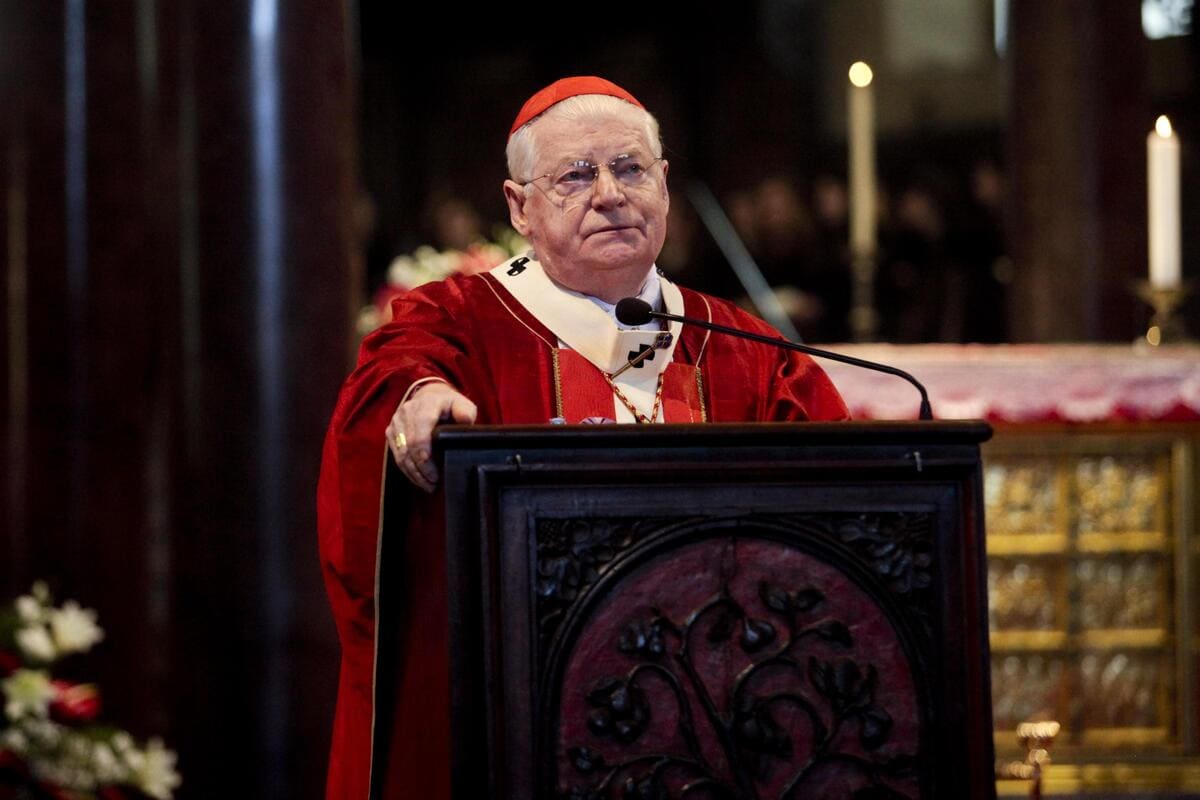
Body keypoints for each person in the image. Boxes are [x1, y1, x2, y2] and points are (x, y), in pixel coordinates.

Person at [317, 76, 849, 800]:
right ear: (520, 207)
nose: (609, 194)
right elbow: (394, 373)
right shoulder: (458, 319)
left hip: (719, 722)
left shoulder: (745, 347)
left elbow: (837, 506)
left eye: (630, 168)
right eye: (575, 175)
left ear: (664, 186)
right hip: (527, 720)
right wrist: (420, 396)